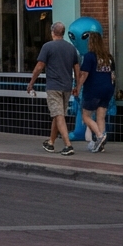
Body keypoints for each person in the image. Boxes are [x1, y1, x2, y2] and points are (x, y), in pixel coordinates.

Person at [27, 20, 81, 156]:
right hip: (67, 86)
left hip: (54, 86)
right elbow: (77, 68)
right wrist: (77, 86)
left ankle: (68, 145)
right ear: (63, 33)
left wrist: (31, 83)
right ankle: (51, 142)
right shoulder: (71, 48)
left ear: (52, 32)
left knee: (58, 115)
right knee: (58, 115)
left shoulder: (48, 46)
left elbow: (40, 66)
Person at [76, 31, 116, 153]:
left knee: (86, 116)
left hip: (93, 89)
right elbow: (113, 76)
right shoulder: (108, 57)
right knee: (101, 117)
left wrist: (77, 88)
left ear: (91, 43)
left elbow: (84, 74)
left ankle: (99, 136)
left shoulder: (89, 56)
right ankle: (101, 145)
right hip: (108, 89)